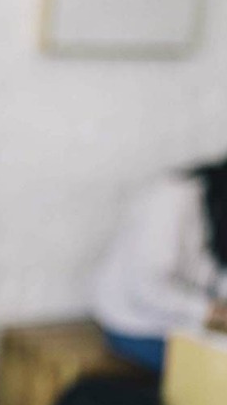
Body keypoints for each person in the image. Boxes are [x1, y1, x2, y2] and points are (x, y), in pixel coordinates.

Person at [92, 155, 227, 372]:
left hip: (196, 328)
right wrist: (210, 313)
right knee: (211, 375)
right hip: (139, 325)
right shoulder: (173, 196)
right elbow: (146, 289)